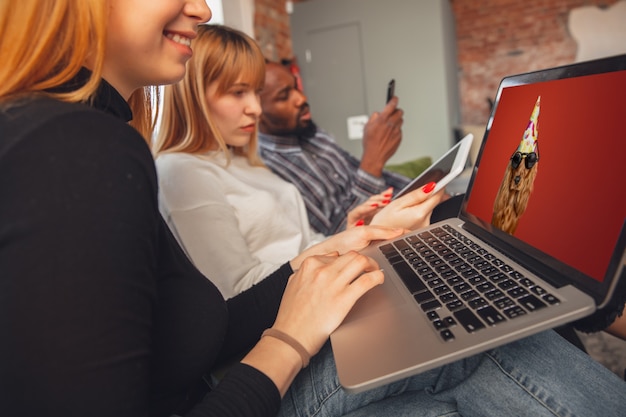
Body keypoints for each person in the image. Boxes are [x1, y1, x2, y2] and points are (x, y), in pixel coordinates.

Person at [2, 6, 625, 417]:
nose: (203, 7)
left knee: (459, 331)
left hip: (238, 367)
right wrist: (292, 337)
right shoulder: (75, 149)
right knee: (476, 335)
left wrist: (323, 255)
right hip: (245, 386)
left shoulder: (87, 139)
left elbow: (202, 328)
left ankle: (593, 298)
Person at [153, 25, 445, 299]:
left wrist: (352, 230)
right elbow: (239, 294)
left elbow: (307, 242)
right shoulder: (180, 170)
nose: (255, 109)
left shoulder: (242, 161)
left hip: (332, 286)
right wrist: (358, 240)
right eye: (238, 92)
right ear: (193, 95)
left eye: (255, 92)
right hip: (305, 308)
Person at [257, 61, 415, 235]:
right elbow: (332, 240)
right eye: (284, 96)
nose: (301, 98)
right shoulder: (269, 170)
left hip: (405, 210)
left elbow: (360, 173)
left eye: (296, 87)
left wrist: (423, 187)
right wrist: (373, 160)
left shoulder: (312, 133)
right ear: (257, 110)